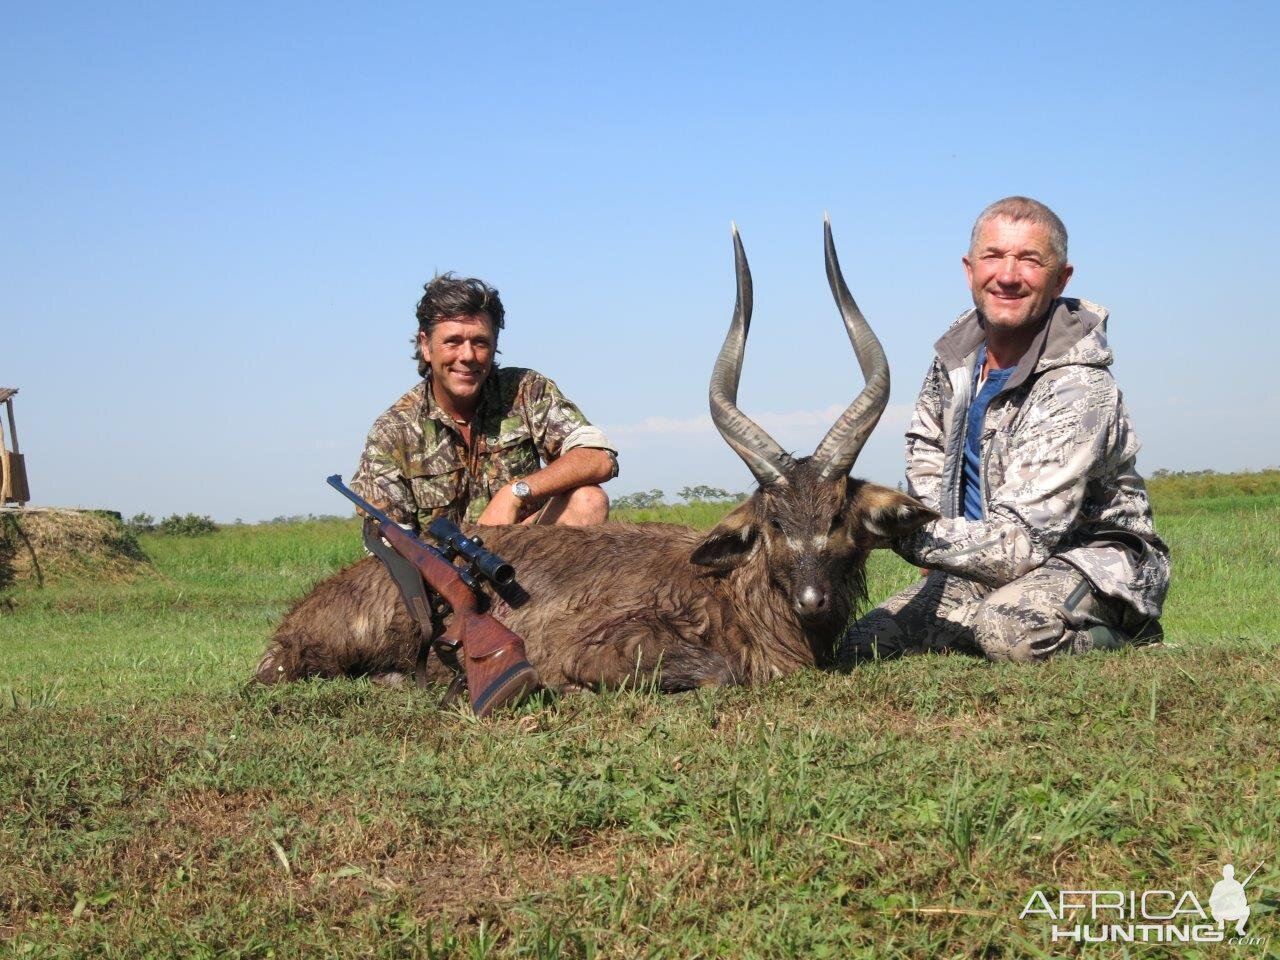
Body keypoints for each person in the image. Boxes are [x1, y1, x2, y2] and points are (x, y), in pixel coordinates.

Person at [841, 197, 1170, 665]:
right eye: (993, 256)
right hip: (980, 562)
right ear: (969, 269)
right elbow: (927, 461)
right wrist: (938, 555)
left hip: (1090, 562)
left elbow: (1021, 543)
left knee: (1009, 633)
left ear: (1061, 278)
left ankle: (1126, 639)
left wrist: (889, 531)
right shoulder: (954, 361)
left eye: (1030, 260)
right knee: (866, 642)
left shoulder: (1079, 386)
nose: (1008, 275)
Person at [352, 273, 617, 530]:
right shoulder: (392, 431)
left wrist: (516, 492)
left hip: (525, 559)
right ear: (425, 345)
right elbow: (387, 540)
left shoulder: (525, 391)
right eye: (453, 342)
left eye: (480, 342)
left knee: (588, 500)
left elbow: (598, 458)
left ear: (494, 344)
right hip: (441, 569)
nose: (467, 356)